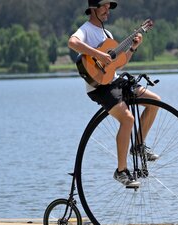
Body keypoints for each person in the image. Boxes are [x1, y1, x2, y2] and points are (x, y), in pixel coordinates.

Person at [68, 0, 160, 188]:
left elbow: (118, 63)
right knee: (127, 119)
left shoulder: (107, 35)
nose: (107, 11)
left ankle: (138, 146)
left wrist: (133, 47)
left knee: (155, 102)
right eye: (104, 6)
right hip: (99, 87)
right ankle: (121, 171)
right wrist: (98, 55)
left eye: (109, 7)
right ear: (93, 8)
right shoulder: (86, 29)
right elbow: (72, 42)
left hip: (115, 81)